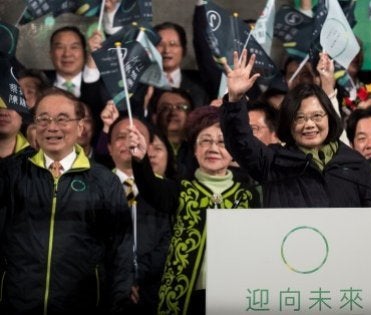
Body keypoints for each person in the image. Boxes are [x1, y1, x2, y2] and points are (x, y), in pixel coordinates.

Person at [0, 88, 133, 314]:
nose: (52, 127)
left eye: (62, 119)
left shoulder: (104, 181)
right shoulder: (11, 174)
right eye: (43, 119)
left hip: (82, 306)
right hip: (17, 304)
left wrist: (119, 305)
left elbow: (120, 252)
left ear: (80, 126)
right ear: (33, 125)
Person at [127, 105, 260, 314]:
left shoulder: (249, 195)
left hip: (235, 296)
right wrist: (140, 160)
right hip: (185, 296)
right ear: (195, 150)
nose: (213, 148)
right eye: (205, 141)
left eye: (222, 142)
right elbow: (151, 188)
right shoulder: (181, 190)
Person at [221, 50, 371, 207]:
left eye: (317, 116)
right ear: (288, 123)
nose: (309, 124)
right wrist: (235, 100)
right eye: (299, 118)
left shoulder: (355, 164)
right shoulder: (273, 161)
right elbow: (239, 142)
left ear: (330, 118)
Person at [107, 116, 172, 314]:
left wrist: (138, 276)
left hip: (155, 294)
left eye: (136, 135)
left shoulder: (167, 190)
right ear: (109, 147)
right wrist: (122, 280)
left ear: (149, 146)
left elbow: (169, 241)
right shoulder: (96, 187)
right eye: (121, 136)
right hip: (106, 292)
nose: (129, 141)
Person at [47, 26, 109, 138]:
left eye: (74, 47)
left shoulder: (106, 85)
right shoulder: (38, 83)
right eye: (60, 47)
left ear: (85, 52)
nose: (67, 54)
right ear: (50, 53)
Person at [155, 22, 210, 108]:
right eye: (160, 45)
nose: (167, 50)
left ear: (184, 50)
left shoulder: (201, 82)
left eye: (173, 44)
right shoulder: (141, 85)